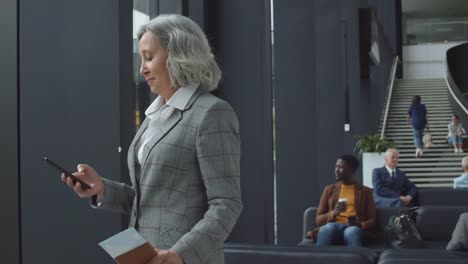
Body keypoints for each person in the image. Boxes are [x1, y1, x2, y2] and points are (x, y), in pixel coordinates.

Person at [61, 14, 242, 264]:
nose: (142, 68)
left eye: (149, 57)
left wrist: (181, 254)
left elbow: (227, 203)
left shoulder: (211, 113)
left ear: (179, 55)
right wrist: (102, 188)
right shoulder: (155, 114)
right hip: (141, 254)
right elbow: (153, 198)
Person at [307, 155, 376, 247]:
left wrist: (360, 225)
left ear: (352, 170)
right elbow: (318, 219)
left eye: (340, 167)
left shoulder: (365, 191)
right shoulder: (329, 189)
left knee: (352, 232)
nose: (336, 170)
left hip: (352, 227)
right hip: (333, 225)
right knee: (325, 230)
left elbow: (372, 220)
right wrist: (333, 213)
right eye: (336, 167)